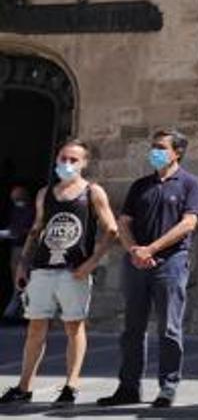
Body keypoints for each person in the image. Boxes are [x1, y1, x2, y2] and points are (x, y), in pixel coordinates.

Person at [0, 141, 117, 407]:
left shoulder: (92, 192)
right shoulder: (46, 193)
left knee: (73, 326)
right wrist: (23, 263)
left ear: (84, 163)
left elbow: (111, 229)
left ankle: (71, 385)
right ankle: (24, 386)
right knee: (35, 327)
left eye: (74, 160)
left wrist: (91, 263)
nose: (67, 163)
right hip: (42, 268)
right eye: (63, 158)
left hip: (73, 270)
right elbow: (36, 229)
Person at [98, 129, 198, 409]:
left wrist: (152, 249)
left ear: (177, 152)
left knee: (169, 328)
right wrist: (134, 249)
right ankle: (129, 387)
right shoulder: (140, 185)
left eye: (161, 147)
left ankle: (168, 386)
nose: (155, 151)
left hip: (170, 264)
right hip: (137, 264)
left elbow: (188, 223)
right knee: (132, 329)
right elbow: (123, 223)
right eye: (153, 147)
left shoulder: (190, 184)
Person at [0, 185, 35, 322]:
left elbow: (33, 229)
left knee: (23, 275)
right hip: (15, 246)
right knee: (15, 273)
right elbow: (14, 225)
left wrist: (19, 232)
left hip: (26, 246)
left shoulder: (32, 210)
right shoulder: (15, 210)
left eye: (17, 196)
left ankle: (19, 307)